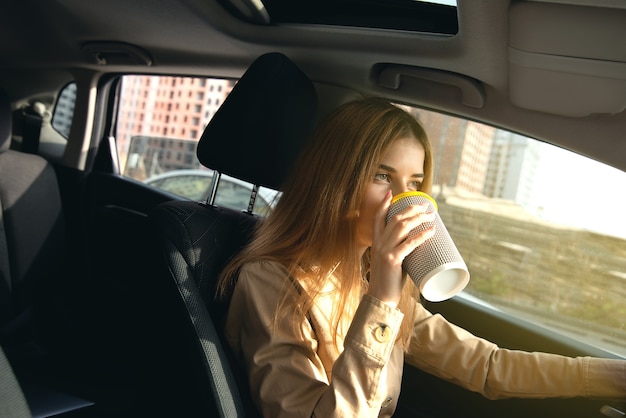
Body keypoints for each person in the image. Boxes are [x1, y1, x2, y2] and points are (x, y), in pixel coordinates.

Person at [218, 97, 625, 417]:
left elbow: (486, 365)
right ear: (335, 180)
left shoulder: (365, 278)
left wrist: (612, 377)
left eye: (413, 183)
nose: (402, 199)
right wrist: (382, 300)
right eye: (382, 176)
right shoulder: (270, 281)